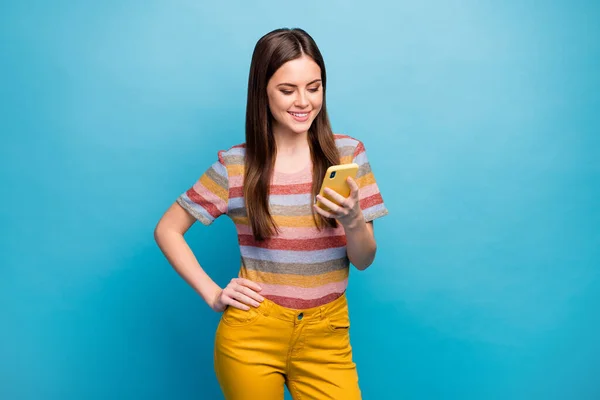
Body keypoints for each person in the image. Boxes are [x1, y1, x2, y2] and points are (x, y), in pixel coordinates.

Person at [154, 27, 388, 400]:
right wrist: (214, 294)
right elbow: (167, 229)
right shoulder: (236, 167)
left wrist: (353, 220)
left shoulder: (348, 155)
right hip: (252, 334)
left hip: (327, 334)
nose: (303, 101)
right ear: (263, 90)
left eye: (314, 87)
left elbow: (363, 260)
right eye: (287, 89)